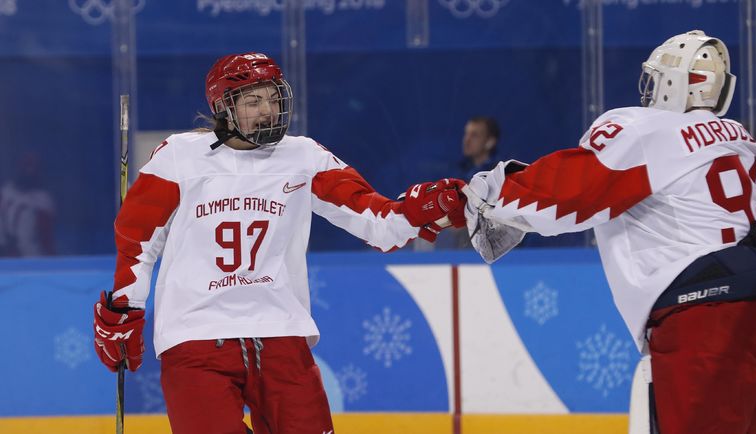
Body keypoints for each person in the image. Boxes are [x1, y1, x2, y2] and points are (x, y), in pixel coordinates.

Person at [92, 52, 465, 434]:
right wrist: (126, 305)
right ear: (223, 107)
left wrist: (424, 211)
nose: (268, 110)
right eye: (253, 101)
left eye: (273, 98)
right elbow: (138, 237)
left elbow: (377, 222)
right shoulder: (179, 156)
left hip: (280, 331)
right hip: (195, 335)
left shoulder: (304, 156)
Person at [463, 30, 756, 433]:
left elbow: (568, 193)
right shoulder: (742, 140)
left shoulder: (648, 129)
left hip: (703, 313)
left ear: (674, 83)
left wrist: (483, 197)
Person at [0, 151, 55, 256]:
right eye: (25, 164)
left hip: (32, 258)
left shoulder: (43, 200)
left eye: (32, 165)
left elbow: (47, 239)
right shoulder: (4, 193)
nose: (28, 170)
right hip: (5, 258)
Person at [458, 116, 499, 181]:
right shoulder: (458, 169)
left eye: (474, 135)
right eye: (466, 134)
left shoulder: (499, 175)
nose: (467, 140)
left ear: (490, 142)